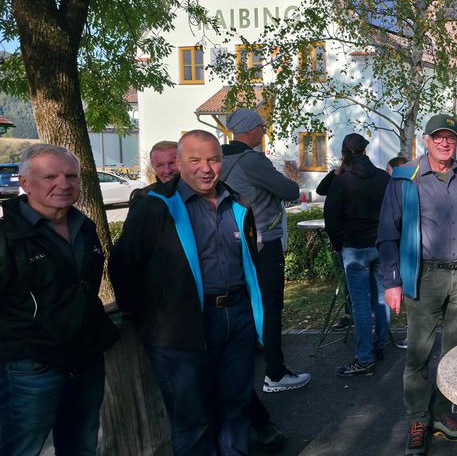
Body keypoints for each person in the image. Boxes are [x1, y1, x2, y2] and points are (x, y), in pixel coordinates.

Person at [111, 130, 265, 455]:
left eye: (213, 159)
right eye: (195, 160)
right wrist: (150, 320)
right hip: (180, 328)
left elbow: (249, 262)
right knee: (193, 421)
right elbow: (124, 266)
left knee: (236, 407)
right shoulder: (156, 207)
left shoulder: (235, 203)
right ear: (179, 163)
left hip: (236, 319)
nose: (205, 168)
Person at [377, 114, 457, 454]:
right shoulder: (404, 179)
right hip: (424, 277)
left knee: (455, 353)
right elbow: (387, 234)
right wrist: (393, 282)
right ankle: (416, 418)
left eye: (451, 138)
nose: (445, 143)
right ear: (425, 141)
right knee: (419, 354)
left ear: (456, 142)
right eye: (438, 137)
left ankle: (442, 412)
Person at [0, 144, 120, 455]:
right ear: (25, 183)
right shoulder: (7, 231)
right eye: (50, 176)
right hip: (31, 365)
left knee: (81, 444)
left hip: (84, 358)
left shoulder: (84, 225)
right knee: (21, 447)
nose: (63, 184)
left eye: (71, 176)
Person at [220, 109, 308, 394]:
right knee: (271, 306)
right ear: (250, 130)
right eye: (262, 127)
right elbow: (289, 190)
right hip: (263, 241)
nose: (264, 131)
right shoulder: (252, 161)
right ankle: (276, 373)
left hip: (233, 243)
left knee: (245, 303)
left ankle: (253, 356)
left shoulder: (220, 159)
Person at [325, 134, 392, 377]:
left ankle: (364, 358)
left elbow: (331, 218)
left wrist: (339, 245)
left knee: (361, 305)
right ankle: (380, 343)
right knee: (381, 298)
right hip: (380, 246)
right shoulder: (384, 177)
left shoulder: (342, 181)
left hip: (354, 249)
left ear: (346, 153)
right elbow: (394, 213)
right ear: (365, 151)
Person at [130, 140, 179, 204]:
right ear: (153, 168)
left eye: (172, 163)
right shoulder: (143, 198)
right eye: (160, 165)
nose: (167, 171)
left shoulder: (195, 191)